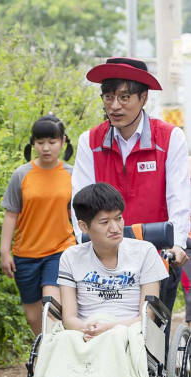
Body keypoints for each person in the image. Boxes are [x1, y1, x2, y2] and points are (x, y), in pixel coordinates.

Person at [16, 183, 168, 377]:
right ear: (84, 227)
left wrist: (109, 327)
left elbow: (148, 314)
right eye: (105, 222)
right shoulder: (71, 257)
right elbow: (69, 317)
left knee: (117, 337)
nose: (116, 227)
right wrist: (86, 329)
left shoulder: (144, 253)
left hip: (129, 326)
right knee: (60, 337)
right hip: (85, 327)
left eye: (119, 218)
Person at [71, 57, 190, 314]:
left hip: (157, 254)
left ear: (144, 98)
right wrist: (82, 241)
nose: (115, 106)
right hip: (105, 257)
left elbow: (179, 197)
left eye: (125, 98)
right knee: (103, 331)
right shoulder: (89, 141)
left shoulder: (170, 137)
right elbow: (79, 201)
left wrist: (178, 243)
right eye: (109, 97)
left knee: (152, 335)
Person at [0, 115, 76, 335]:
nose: (46, 148)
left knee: (51, 308)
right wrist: (4, 251)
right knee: (33, 317)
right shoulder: (21, 175)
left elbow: (79, 215)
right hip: (26, 254)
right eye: (40, 142)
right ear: (33, 143)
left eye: (52, 142)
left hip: (60, 250)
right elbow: (11, 215)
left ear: (62, 142)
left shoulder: (72, 174)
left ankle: (57, 361)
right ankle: (44, 354)